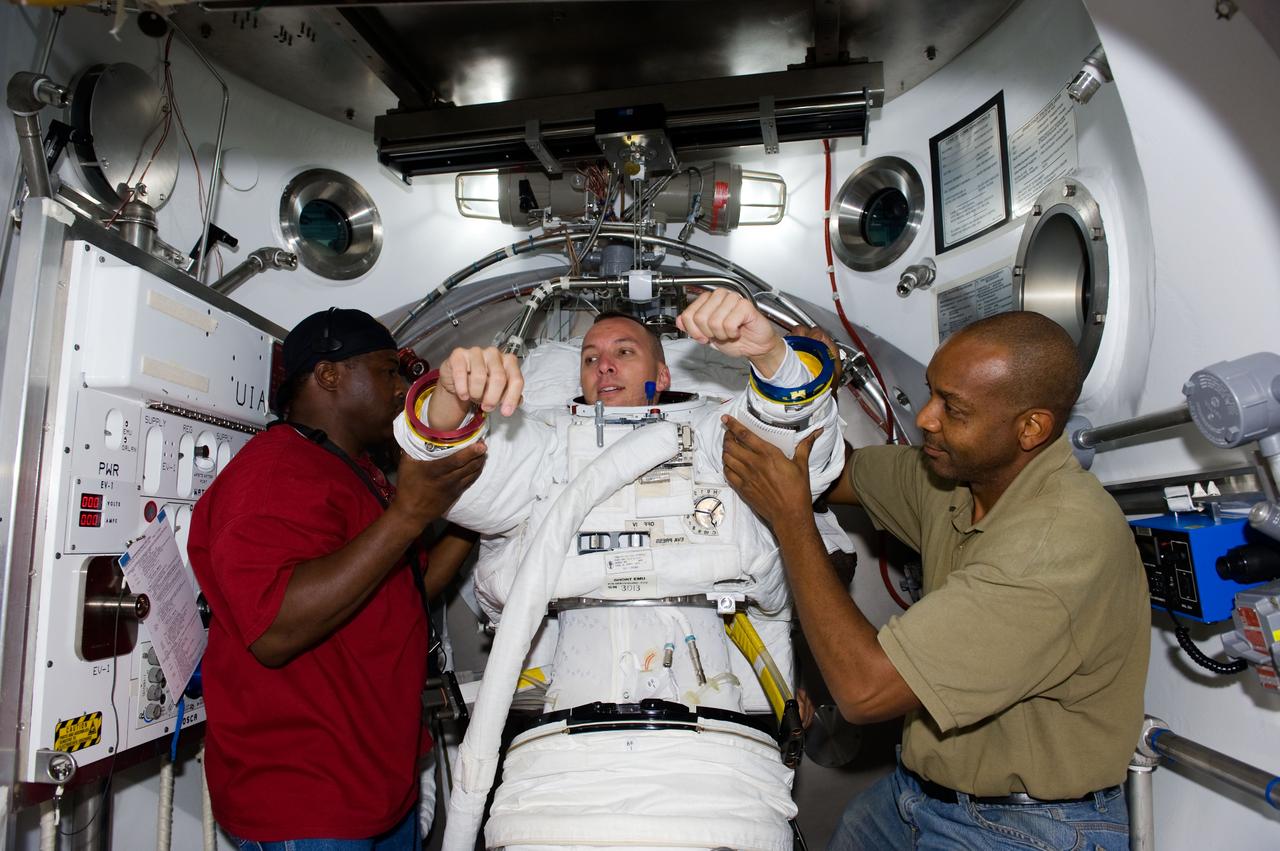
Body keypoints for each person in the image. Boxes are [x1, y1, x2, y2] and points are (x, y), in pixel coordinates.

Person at [394, 290, 847, 849]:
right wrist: (449, 400)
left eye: (623, 352)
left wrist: (772, 357)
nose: (602, 364)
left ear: (661, 372)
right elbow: (458, 479)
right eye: (589, 357)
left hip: (715, 774)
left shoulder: (711, 430)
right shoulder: (542, 441)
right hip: (560, 778)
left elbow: (797, 451)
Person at [720, 311, 1150, 850]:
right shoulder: (959, 476)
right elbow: (833, 472)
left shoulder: (1057, 544)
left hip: (1030, 826)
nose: (925, 419)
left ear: (1031, 428)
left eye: (954, 409)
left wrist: (791, 519)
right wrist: (801, 381)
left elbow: (864, 691)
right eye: (931, 393)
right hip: (917, 793)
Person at [188, 307, 486, 850]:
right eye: (387, 371)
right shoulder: (274, 473)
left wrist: (478, 517)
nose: (401, 390)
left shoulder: (356, 473)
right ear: (328, 375)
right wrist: (409, 515)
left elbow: (410, 591)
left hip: (377, 787)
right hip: (306, 800)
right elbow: (275, 630)